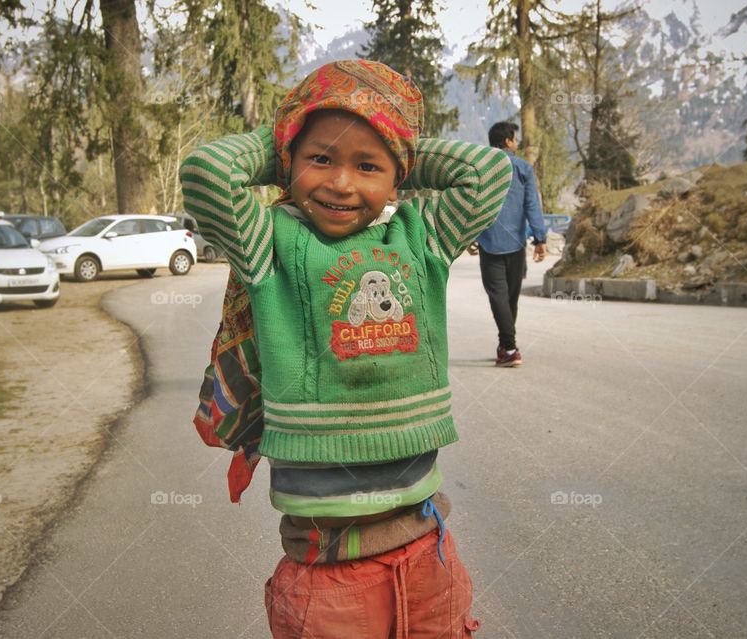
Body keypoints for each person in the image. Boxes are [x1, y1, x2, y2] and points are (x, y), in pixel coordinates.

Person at [180, 59, 511, 638]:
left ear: (399, 177)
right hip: (327, 571)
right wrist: (285, 137)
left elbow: (488, 174)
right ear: (289, 162)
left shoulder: (421, 236)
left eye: (367, 165)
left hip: (426, 547)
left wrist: (397, 140)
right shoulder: (271, 244)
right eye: (320, 158)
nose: (341, 182)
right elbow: (207, 173)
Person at [467, 121, 547, 368]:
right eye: (515, 137)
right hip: (516, 243)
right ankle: (509, 347)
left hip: (489, 243)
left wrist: (470, 235)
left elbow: (472, 203)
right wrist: (540, 238)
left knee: (498, 297)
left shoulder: (481, 168)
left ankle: (507, 346)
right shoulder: (523, 168)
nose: (517, 141)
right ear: (508, 142)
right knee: (510, 298)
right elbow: (532, 205)